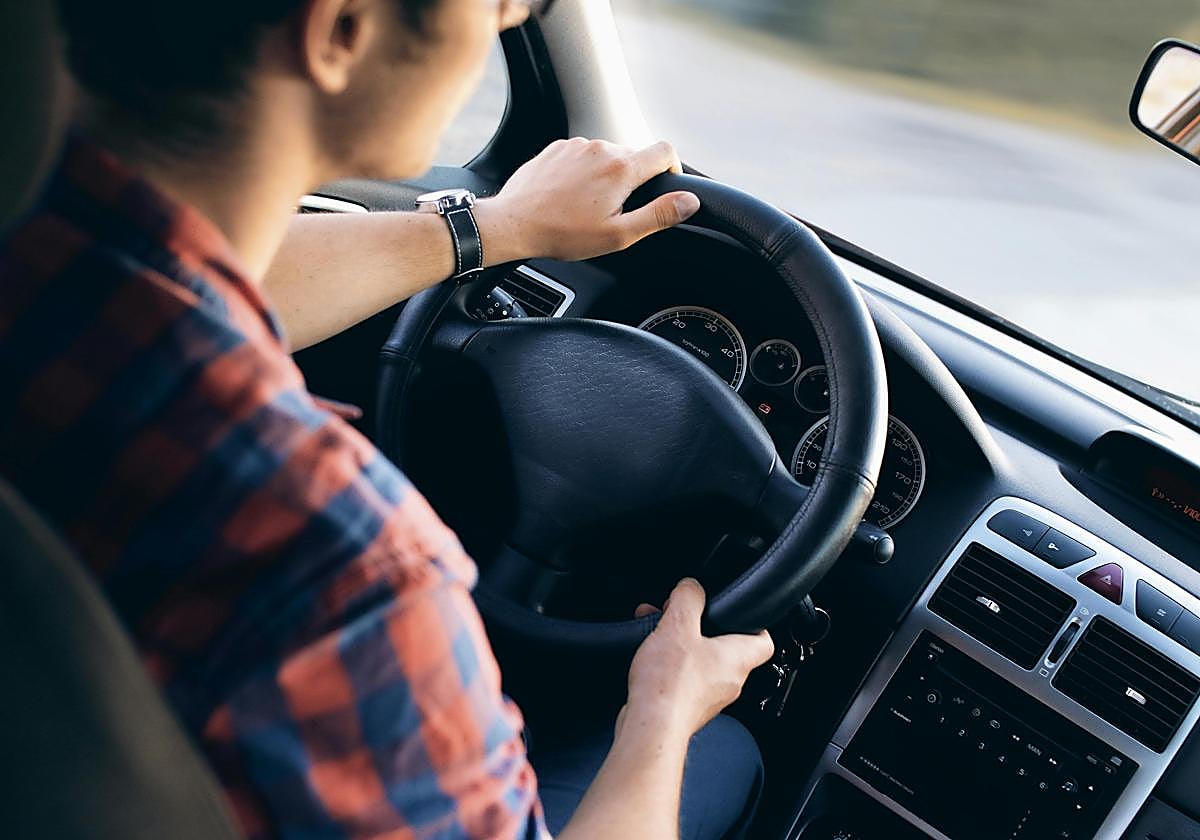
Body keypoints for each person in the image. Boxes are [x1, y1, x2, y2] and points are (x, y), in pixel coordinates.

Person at [0, 0, 775, 837]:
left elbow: (205, 279)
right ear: (342, 29)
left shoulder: (41, 252)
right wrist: (661, 711)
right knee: (722, 754)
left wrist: (499, 226)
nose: (510, 14)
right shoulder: (340, 569)